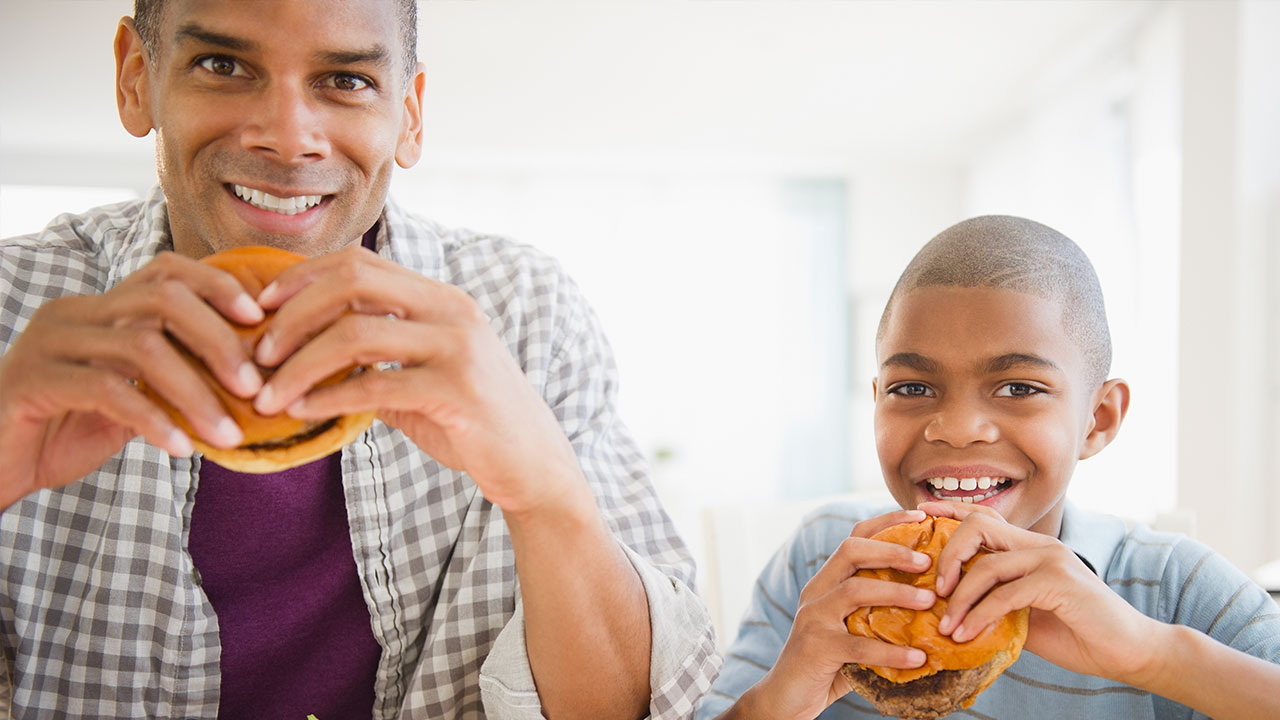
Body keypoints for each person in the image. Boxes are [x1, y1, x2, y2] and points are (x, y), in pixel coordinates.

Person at [0, 1, 719, 718]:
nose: (287, 139)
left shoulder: (529, 319)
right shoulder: (13, 307)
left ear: (408, 115)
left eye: (346, 81)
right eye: (222, 65)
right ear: (136, 78)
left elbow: (631, 708)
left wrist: (546, 497)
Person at [697, 215, 1280, 719]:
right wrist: (774, 705)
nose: (956, 427)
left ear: (1097, 419)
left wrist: (1153, 655)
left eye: (1019, 387)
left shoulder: (1175, 594)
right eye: (914, 386)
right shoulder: (823, 562)